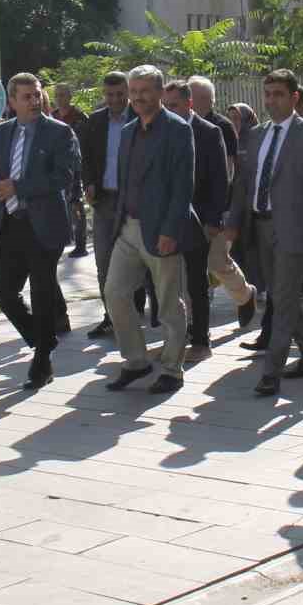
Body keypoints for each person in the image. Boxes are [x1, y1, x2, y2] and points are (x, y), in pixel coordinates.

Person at [225, 69, 303, 398]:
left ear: (295, 98)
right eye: (268, 94)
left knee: (284, 297)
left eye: (278, 94)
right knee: (280, 295)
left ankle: (271, 371)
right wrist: (233, 222)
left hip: (295, 228)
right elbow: (244, 183)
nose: (272, 100)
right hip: (260, 226)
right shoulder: (257, 135)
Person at [102, 66, 198, 393]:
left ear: (159, 93)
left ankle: (172, 369)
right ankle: (136, 361)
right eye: (134, 90)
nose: (138, 96)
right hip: (128, 228)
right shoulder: (128, 131)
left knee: (169, 303)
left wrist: (171, 229)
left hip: (161, 229)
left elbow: (183, 186)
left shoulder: (177, 130)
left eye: (145, 90)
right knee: (114, 293)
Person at [0, 72, 81, 389]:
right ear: (12, 102)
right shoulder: (3, 133)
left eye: (37, 94)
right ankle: (42, 338)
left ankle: (42, 361)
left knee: (41, 293)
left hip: (44, 224)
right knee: (2, 291)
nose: (35, 101)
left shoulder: (59, 133)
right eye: (26, 96)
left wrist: (18, 187)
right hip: (11, 223)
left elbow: (63, 179)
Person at [163, 78, 250, 349]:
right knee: (181, 278)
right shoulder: (161, 129)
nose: (167, 110)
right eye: (165, 105)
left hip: (203, 217)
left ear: (192, 103)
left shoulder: (213, 130)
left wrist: (214, 219)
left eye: (173, 105)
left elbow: (222, 177)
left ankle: (243, 297)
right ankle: (188, 330)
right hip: (171, 216)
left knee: (211, 268)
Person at [80, 72, 134, 339]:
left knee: (138, 261)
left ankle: (134, 312)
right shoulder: (95, 121)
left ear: (128, 92)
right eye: (110, 95)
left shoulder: (140, 118)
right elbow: (85, 157)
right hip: (104, 201)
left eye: (120, 95)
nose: (114, 100)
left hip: (134, 202)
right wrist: (88, 182)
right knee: (104, 261)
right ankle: (111, 316)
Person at [53, 84, 91, 258]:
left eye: (63, 95)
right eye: (57, 95)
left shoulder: (80, 117)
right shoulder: (51, 117)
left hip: (76, 168)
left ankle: (80, 243)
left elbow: (86, 144)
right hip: (56, 169)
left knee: (76, 205)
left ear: (70, 96)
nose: (60, 98)